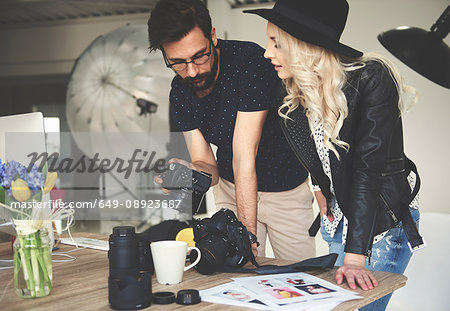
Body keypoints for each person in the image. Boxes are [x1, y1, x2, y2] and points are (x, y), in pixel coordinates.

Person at [244, 0, 426, 310]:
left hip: (381, 226)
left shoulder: (372, 76)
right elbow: (316, 151)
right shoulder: (299, 89)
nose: (267, 52)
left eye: (276, 43)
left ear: (302, 44)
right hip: (339, 222)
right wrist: (320, 187)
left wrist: (356, 256)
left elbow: (369, 169)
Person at [147, 0, 315, 261]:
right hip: (230, 188)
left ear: (212, 36)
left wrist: (246, 237)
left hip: (286, 193)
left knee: (300, 279)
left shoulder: (251, 64)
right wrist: (193, 175)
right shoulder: (179, 92)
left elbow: (244, 157)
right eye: (178, 63)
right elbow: (206, 164)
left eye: (199, 56)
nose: (191, 71)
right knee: (234, 277)